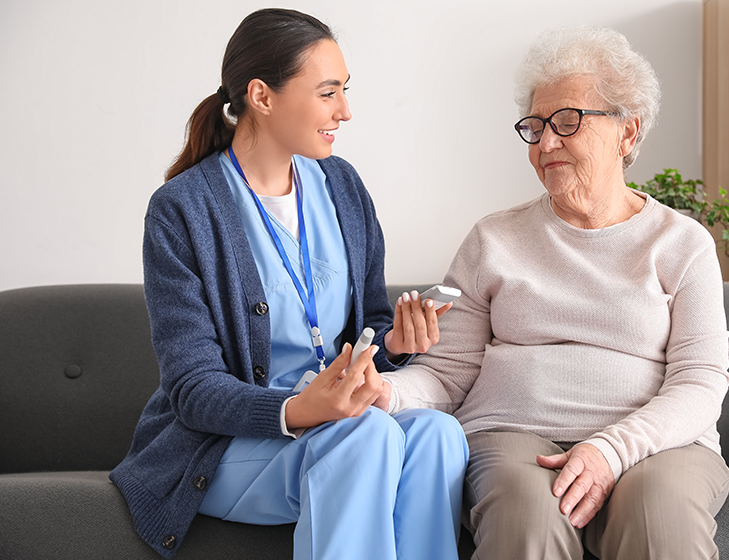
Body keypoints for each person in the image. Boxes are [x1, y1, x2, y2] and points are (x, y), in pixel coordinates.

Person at [110, 9, 468, 560]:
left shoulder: (341, 186)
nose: (345, 111)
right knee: (365, 434)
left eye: (344, 91)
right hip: (230, 442)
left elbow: (367, 322)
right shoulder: (182, 210)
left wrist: (393, 342)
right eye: (328, 93)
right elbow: (192, 389)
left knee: (438, 436)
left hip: (338, 425)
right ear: (262, 95)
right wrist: (299, 410)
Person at [383, 26, 729, 560]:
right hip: (510, 435)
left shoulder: (682, 244)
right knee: (525, 522)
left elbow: (701, 381)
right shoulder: (492, 239)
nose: (546, 143)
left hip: (657, 447)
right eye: (536, 126)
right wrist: (387, 394)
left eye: (568, 121)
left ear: (628, 132)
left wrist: (611, 450)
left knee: (661, 522)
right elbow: (446, 373)